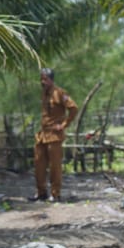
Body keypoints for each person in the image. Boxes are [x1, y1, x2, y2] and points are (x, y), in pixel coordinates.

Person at [31, 68, 77, 203]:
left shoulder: (59, 93)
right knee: (39, 163)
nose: (42, 82)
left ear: (51, 80)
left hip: (54, 135)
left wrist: (64, 125)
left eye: (45, 79)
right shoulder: (44, 94)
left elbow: (73, 108)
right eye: (41, 79)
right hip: (43, 134)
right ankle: (41, 192)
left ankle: (55, 194)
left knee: (55, 166)